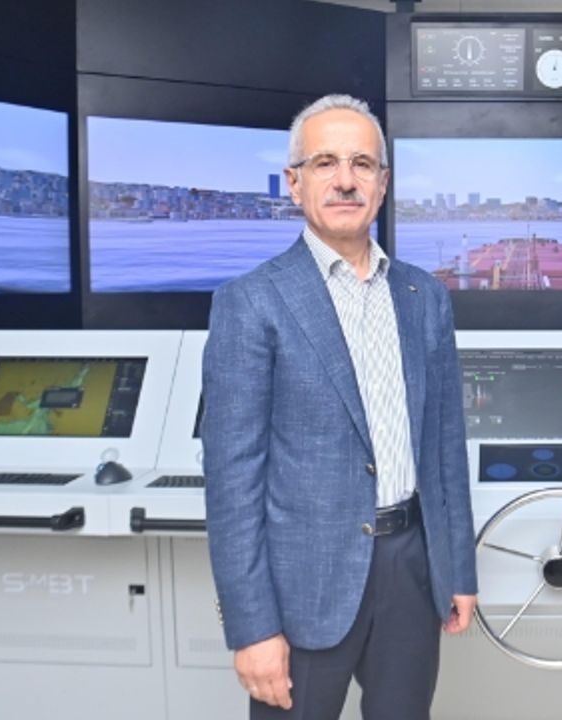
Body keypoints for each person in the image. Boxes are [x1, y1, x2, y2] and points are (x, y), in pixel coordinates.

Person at [201, 94, 478, 720]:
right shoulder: (251, 302)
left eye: (362, 164)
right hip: (304, 584)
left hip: (412, 572)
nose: (345, 180)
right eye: (325, 163)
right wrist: (251, 627)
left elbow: (444, 445)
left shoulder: (425, 296)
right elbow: (232, 482)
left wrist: (458, 568)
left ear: (383, 184)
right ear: (294, 183)